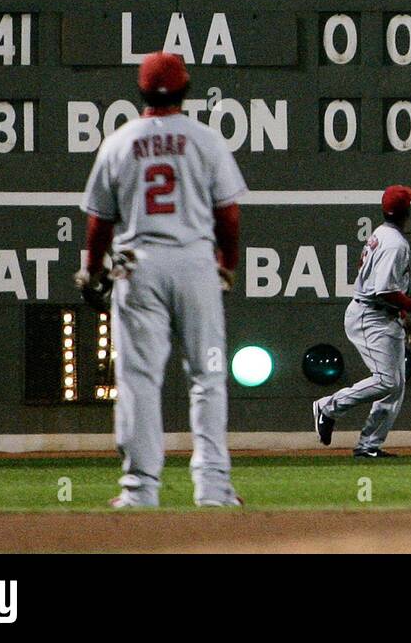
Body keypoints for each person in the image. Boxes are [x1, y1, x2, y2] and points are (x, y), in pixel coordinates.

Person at [74, 51, 246, 507]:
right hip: (194, 266)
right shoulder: (205, 140)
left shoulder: (119, 142)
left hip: (138, 267)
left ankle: (139, 491)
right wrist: (227, 262)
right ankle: (213, 488)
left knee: (137, 380)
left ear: (141, 91)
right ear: (186, 89)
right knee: (208, 376)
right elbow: (228, 214)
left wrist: (91, 269)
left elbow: (99, 222)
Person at [313, 185, 411, 458]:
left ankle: (369, 445)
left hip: (381, 313)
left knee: (395, 384)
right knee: (386, 381)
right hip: (370, 315)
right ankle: (328, 407)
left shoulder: (382, 233)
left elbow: (383, 286)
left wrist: (403, 315)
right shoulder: (394, 243)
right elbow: (384, 290)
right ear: (407, 211)